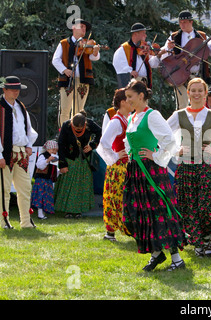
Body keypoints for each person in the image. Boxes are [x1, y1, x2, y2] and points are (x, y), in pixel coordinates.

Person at [167, 77, 211, 258]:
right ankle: (199, 242)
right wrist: (177, 150)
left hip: (207, 166)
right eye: (193, 90)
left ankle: (205, 239)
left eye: (200, 90)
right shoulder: (179, 115)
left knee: (207, 206)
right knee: (189, 206)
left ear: (206, 93)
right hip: (186, 167)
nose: (197, 93)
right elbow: (163, 136)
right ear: (188, 93)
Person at [121, 80, 187, 271]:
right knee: (138, 212)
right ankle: (156, 253)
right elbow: (129, 141)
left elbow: (170, 140)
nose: (128, 101)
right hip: (135, 171)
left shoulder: (152, 115)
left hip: (151, 171)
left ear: (141, 96)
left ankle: (176, 259)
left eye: (130, 97)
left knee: (160, 212)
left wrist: (155, 155)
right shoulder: (134, 117)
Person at [160, 10, 211, 109]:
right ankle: (182, 124)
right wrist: (168, 48)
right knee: (182, 105)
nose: (182, 25)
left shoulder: (201, 36)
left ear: (191, 22)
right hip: (180, 76)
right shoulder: (174, 36)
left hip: (197, 75)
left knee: (199, 105)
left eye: (184, 22)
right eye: (180, 22)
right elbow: (164, 58)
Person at [0, 76, 39, 229]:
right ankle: (4, 221)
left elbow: (28, 129)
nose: (16, 92)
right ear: (5, 90)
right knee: (4, 190)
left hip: (21, 152)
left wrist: (29, 144)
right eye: (13, 89)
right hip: (6, 153)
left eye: (18, 89)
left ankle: (26, 221)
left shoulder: (20, 106)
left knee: (25, 188)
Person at [97, 88, 133, 241]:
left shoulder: (130, 118)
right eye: (130, 98)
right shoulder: (116, 121)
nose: (133, 101)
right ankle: (110, 231)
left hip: (129, 166)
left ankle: (130, 228)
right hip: (118, 167)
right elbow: (103, 143)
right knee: (115, 197)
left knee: (127, 197)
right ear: (123, 102)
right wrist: (115, 156)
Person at [52, 18, 100, 127]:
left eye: (85, 28)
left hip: (83, 79)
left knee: (79, 110)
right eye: (81, 26)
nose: (84, 29)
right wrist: (65, 70)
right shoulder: (64, 43)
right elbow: (55, 60)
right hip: (67, 80)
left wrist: (96, 52)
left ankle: (77, 133)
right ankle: (64, 133)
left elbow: (93, 57)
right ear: (73, 28)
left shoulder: (88, 43)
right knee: (65, 109)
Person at [54, 110, 102, 218]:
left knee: (82, 185)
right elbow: (60, 144)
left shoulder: (90, 124)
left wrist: (92, 145)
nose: (77, 130)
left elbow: (101, 132)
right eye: (75, 128)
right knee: (69, 185)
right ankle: (68, 210)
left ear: (84, 124)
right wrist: (62, 164)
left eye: (79, 129)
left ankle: (79, 210)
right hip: (69, 158)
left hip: (84, 159)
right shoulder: (66, 125)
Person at [113, 23, 165, 89]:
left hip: (144, 82)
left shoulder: (144, 48)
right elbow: (118, 63)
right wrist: (129, 71)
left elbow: (152, 64)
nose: (146, 36)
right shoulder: (124, 48)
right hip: (131, 83)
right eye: (143, 33)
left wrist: (159, 55)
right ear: (135, 34)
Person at [31, 140, 58, 220]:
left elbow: (53, 170)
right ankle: (40, 214)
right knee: (40, 196)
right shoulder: (43, 156)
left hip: (48, 180)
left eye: (55, 150)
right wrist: (47, 160)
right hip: (41, 180)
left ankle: (44, 213)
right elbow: (39, 166)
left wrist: (59, 171)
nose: (54, 151)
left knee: (46, 197)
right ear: (47, 149)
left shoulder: (55, 158)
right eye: (52, 150)